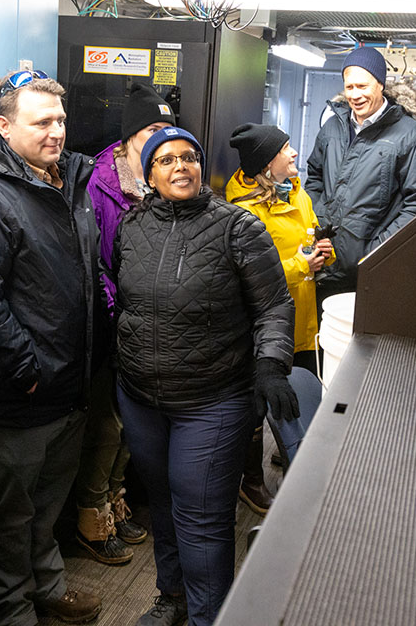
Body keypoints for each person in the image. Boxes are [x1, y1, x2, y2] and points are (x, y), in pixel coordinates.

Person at [114, 127, 297, 626]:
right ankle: (172, 598)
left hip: (211, 401)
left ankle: (208, 617)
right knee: (165, 509)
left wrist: (270, 364)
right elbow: (125, 298)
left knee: (202, 520)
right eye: (167, 160)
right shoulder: (131, 227)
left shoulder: (238, 228)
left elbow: (274, 305)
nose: (180, 167)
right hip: (141, 398)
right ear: (148, 174)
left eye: (189, 158)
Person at [0, 71, 102, 626]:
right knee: (7, 515)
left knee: (46, 506)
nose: (57, 132)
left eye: (61, 120)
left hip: (68, 385)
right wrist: (25, 367)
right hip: (19, 393)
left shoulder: (68, 186)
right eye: (42, 123)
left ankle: (47, 586)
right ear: (5, 127)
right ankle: (7, 607)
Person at [74, 83, 173, 564]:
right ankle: (91, 515)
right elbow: (94, 259)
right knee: (108, 423)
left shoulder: (161, 175)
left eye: (167, 128)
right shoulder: (100, 183)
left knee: (134, 425)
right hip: (113, 318)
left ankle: (115, 497)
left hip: (150, 323)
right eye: (152, 128)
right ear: (131, 135)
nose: (161, 137)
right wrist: (120, 309)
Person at [304, 46, 416, 309]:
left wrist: (375, 252)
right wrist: (316, 224)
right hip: (322, 267)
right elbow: (314, 178)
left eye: (362, 86)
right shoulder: (332, 128)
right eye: (349, 87)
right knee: (321, 344)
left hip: (370, 275)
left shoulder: (413, 137)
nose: (355, 95)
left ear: (380, 84)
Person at [226, 123, 335, 375]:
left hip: (306, 324)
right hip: (271, 330)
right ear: (266, 164)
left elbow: (311, 237)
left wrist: (325, 252)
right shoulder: (245, 213)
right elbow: (247, 279)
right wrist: (301, 266)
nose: (295, 152)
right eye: (285, 148)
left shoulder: (298, 194)